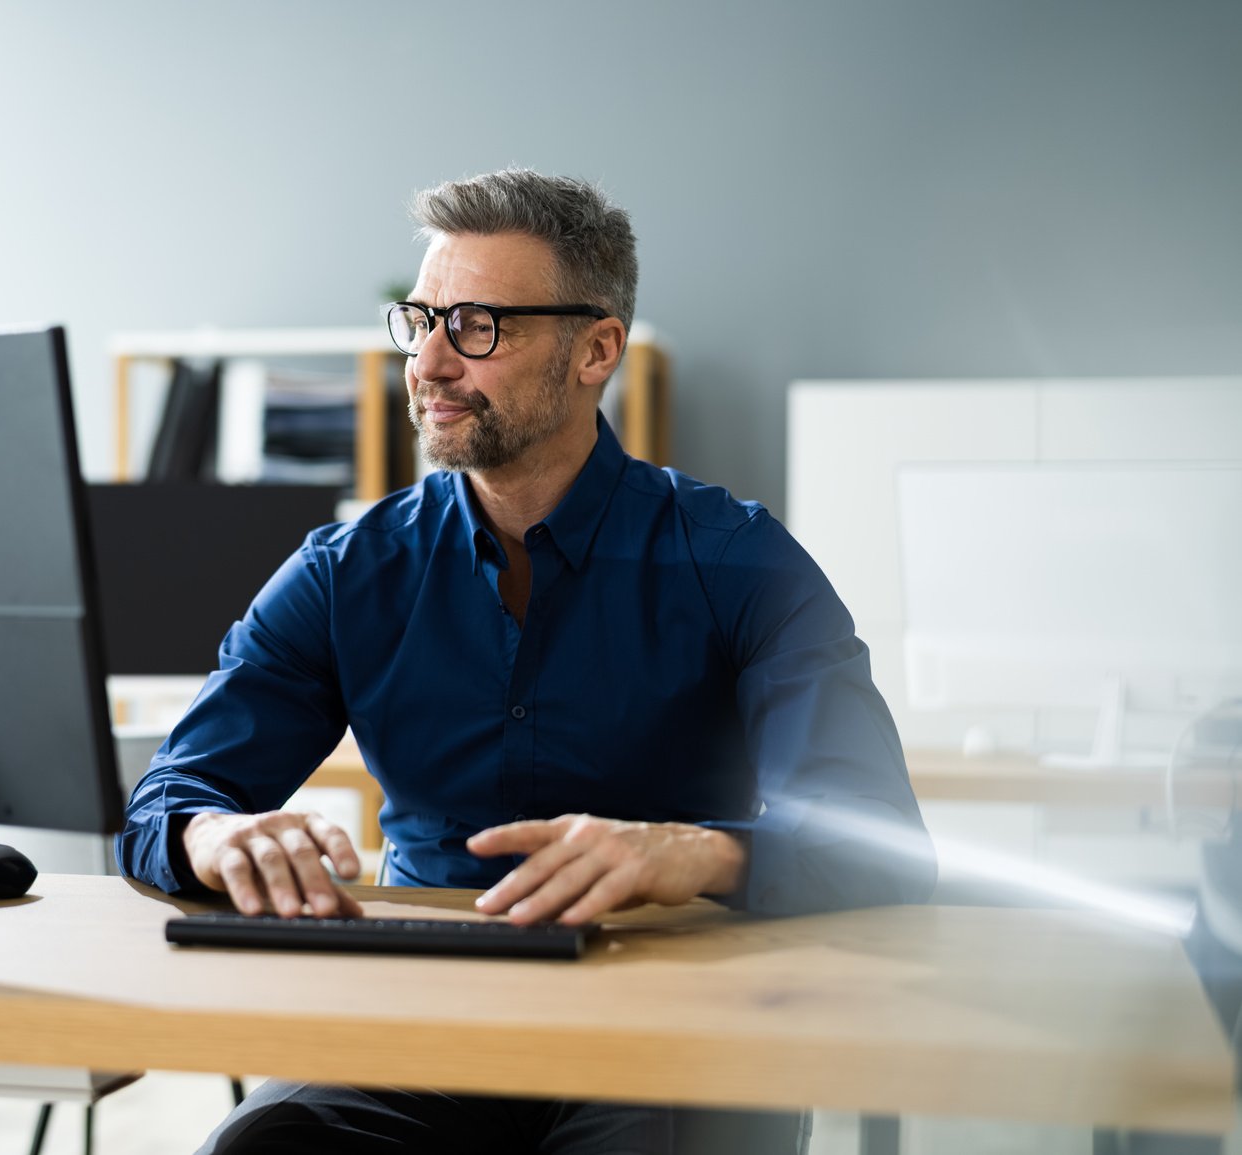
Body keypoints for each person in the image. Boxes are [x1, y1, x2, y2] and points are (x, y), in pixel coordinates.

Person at [117, 168, 937, 1154]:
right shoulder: (346, 572)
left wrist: (691, 853)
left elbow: (881, 840)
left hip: (671, 1016)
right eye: (419, 320)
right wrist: (212, 838)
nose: (427, 362)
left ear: (596, 350)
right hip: (424, 1017)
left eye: (476, 327)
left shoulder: (738, 559)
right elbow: (171, 797)